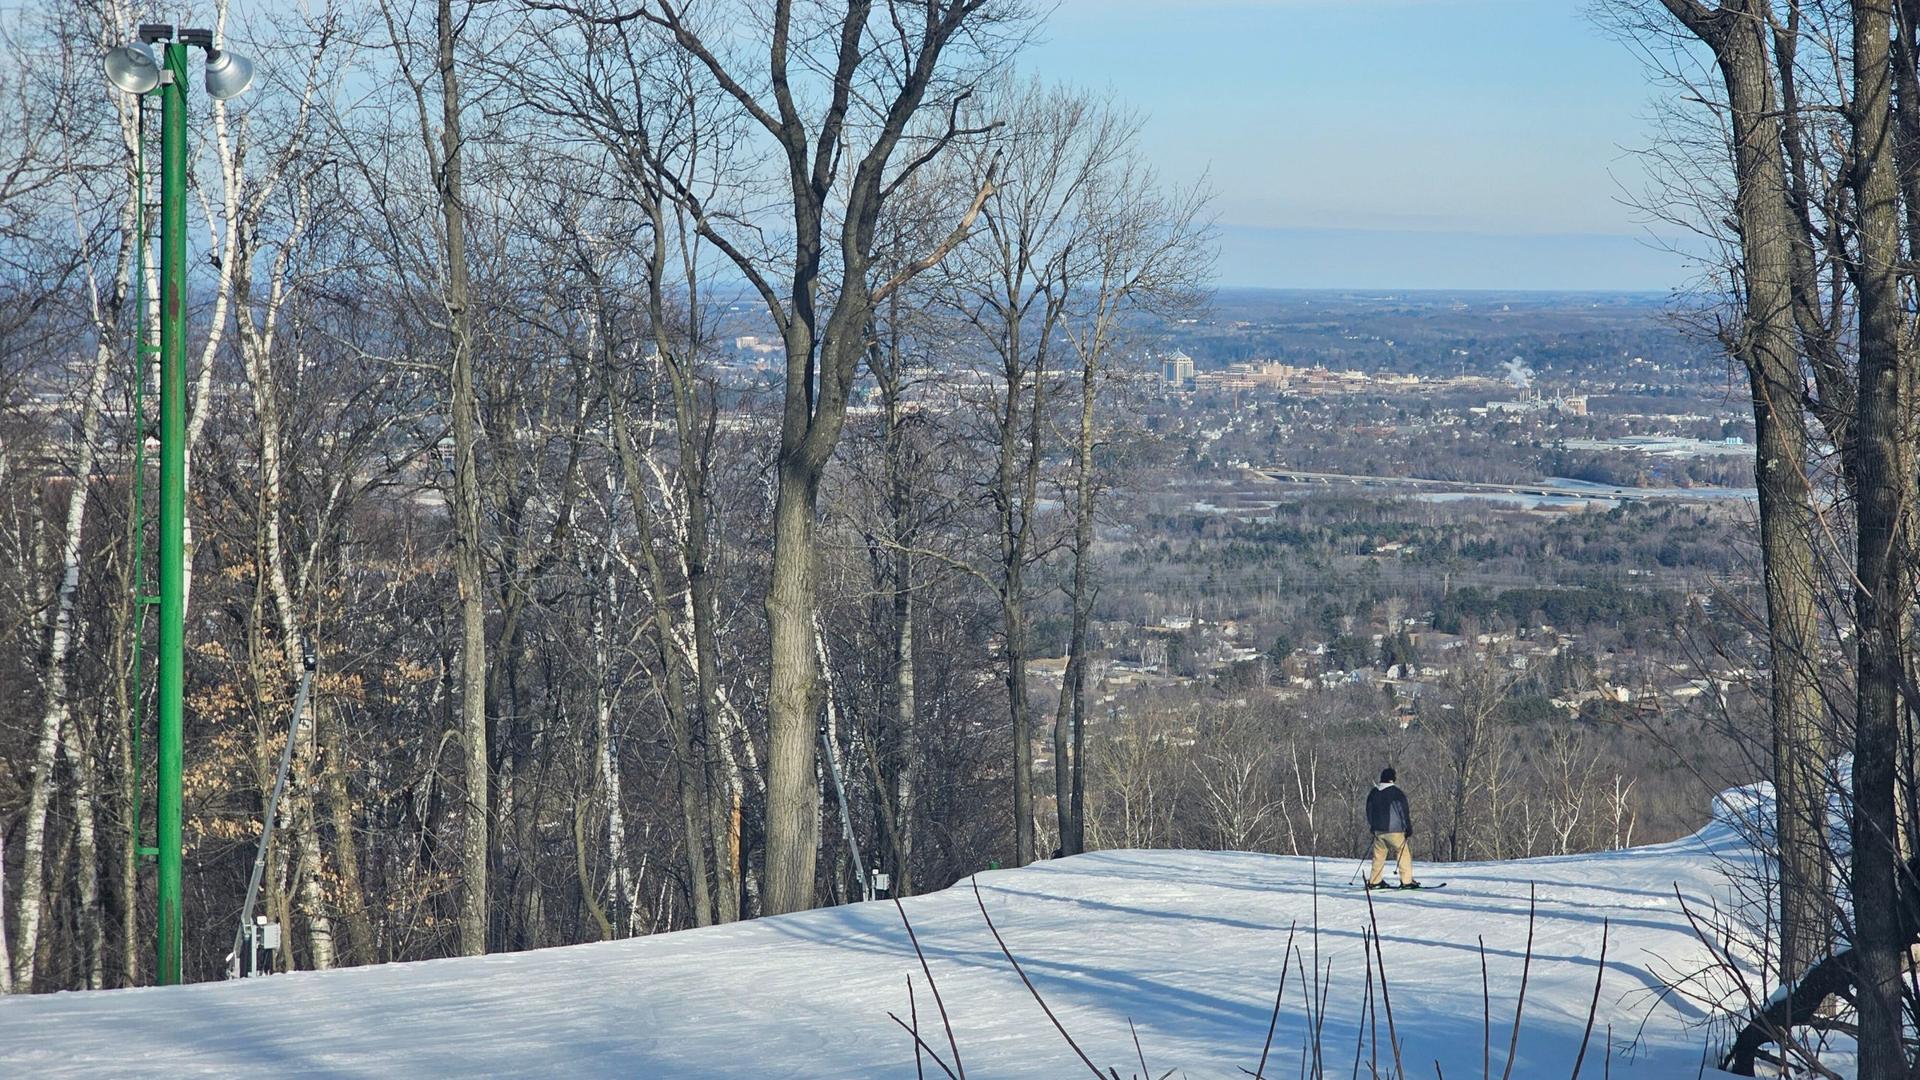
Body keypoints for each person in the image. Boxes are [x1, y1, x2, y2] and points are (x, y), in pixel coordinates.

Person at [1365, 767, 1420, 889]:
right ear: (1392, 778)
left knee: (1378, 856)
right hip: (1395, 830)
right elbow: (1403, 811)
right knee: (1402, 853)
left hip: (1379, 831)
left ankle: (1375, 881)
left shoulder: (1373, 792)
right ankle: (1406, 881)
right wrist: (1408, 827)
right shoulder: (1396, 792)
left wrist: (1373, 826)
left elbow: (1369, 810)